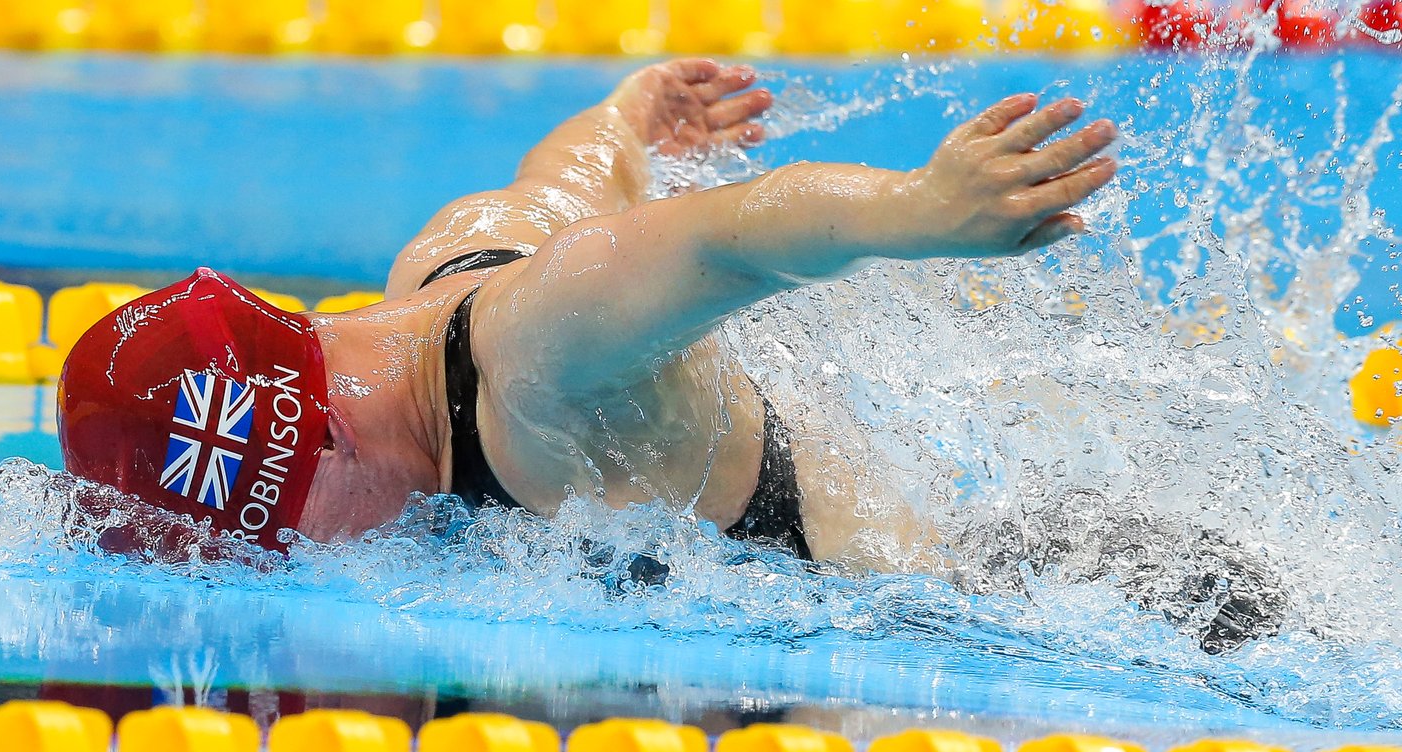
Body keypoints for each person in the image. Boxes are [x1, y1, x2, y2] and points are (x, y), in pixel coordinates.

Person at [59, 59, 1117, 577]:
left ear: (323, 441)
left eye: (281, 535)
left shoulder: (539, 358)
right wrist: (633, 116)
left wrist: (923, 209)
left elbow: (727, 236)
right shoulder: (441, 258)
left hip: (980, 591)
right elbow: (566, 177)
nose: (299, 555)